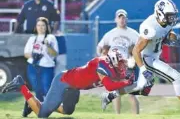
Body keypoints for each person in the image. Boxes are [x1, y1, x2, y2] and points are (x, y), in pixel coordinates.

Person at [101, 0, 180, 118]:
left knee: (139, 86)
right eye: (169, 16)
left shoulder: (165, 22)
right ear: (160, 14)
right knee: (176, 77)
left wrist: (171, 38)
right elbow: (136, 50)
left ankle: (110, 95)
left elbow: (166, 33)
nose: (172, 18)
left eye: (173, 15)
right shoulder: (150, 28)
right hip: (146, 58)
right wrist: (143, 69)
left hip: (154, 55)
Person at [2, 49, 134, 118]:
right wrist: (126, 81)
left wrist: (127, 78)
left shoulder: (112, 66)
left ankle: (33, 103)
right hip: (63, 81)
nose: (122, 66)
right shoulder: (102, 65)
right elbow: (109, 86)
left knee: (67, 111)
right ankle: (21, 85)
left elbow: (118, 78)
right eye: (120, 63)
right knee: (42, 114)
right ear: (111, 62)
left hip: (74, 87)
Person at [97, 9, 140, 114]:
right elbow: (100, 47)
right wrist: (102, 56)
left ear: (127, 19)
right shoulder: (110, 34)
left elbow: (140, 47)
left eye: (124, 17)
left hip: (128, 65)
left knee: (132, 93)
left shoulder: (133, 33)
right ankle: (117, 115)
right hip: (114, 66)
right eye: (120, 17)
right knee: (116, 92)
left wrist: (134, 55)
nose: (122, 19)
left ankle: (136, 115)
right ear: (115, 19)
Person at [23, 17, 59, 117]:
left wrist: (48, 46)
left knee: (46, 89)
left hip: (46, 66)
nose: (40, 27)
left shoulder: (51, 38)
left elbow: (55, 54)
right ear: (36, 26)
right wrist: (33, 55)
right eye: (38, 25)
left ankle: (44, 109)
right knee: (37, 89)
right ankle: (37, 109)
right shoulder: (32, 38)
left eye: (43, 25)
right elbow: (26, 53)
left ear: (47, 26)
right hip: (33, 66)